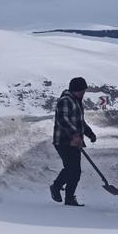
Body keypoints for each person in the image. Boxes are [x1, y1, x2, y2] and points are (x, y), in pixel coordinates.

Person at [50, 77, 97, 207]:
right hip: (63, 141)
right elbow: (63, 120)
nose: (83, 93)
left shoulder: (76, 101)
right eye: (82, 91)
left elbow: (80, 121)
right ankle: (57, 187)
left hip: (75, 142)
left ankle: (69, 197)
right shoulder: (65, 101)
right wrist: (75, 135)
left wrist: (89, 133)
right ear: (75, 90)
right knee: (72, 169)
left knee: (74, 170)